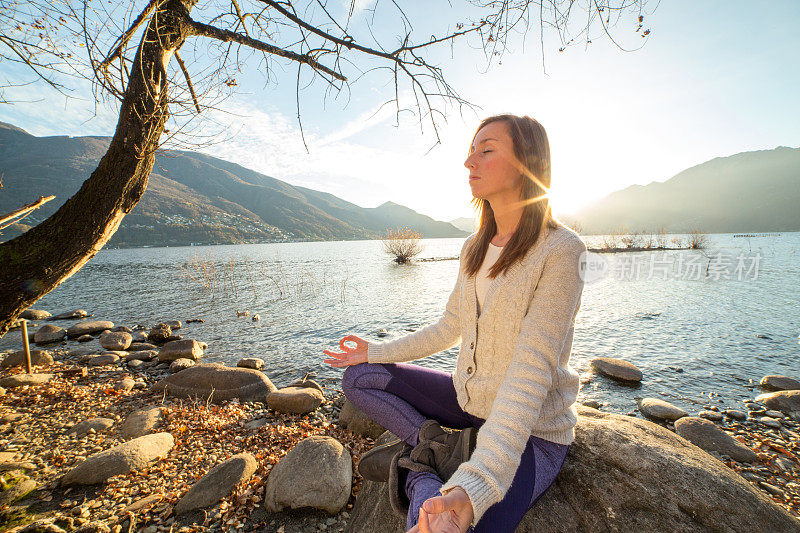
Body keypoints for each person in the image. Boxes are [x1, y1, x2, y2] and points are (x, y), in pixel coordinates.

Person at [323, 114, 587, 533]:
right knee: (359, 378)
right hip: (469, 404)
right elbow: (450, 326)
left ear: (526, 163)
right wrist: (373, 351)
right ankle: (434, 448)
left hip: (533, 431)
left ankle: (424, 473)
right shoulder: (473, 248)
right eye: (470, 150)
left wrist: (473, 485)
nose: (469, 161)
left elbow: (531, 371)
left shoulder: (562, 251)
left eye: (486, 150)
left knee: (459, 523)